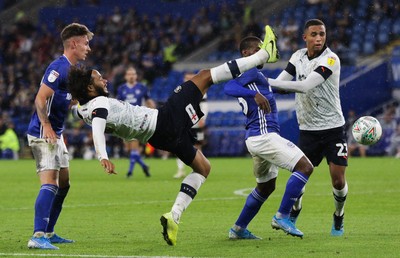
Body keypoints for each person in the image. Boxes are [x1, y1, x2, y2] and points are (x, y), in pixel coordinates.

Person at [67, 25, 279, 246]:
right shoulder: (99, 103)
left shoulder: (82, 110)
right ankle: (265, 54)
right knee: (205, 76)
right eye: (99, 79)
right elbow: (98, 126)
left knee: (203, 168)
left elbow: (83, 111)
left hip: (159, 138)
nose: (105, 80)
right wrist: (102, 155)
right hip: (163, 120)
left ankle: (174, 215)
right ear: (91, 90)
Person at [224, 36, 314, 239]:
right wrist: (252, 95)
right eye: (258, 49)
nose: (264, 52)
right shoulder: (250, 71)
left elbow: (275, 88)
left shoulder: (258, 77)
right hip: (264, 136)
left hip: (256, 138)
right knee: (305, 167)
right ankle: (282, 216)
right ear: (246, 54)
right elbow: (227, 87)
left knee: (266, 186)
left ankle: (238, 229)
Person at [268, 19, 348, 236]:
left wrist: (264, 81)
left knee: (338, 179)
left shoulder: (331, 59)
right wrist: (264, 83)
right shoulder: (298, 56)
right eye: (314, 34)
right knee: (300, 177)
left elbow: (303, 86)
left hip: (333, 128)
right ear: (305, 37)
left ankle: (338, 216)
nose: (319, 38)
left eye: (322, 34)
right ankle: (293, 214)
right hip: (308, 129)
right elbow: (281, 81)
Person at [26, 23, 93, 250]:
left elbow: (65, 101)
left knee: (64, 184)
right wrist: (46, 125)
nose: (88, 48)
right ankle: (37, 236)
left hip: (58, 134)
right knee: (51, 183)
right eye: (85, 43)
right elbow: (40, 98)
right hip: (43, 134)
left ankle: (49, 231)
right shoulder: (58, 67)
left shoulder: (71, 71)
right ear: (73, 43)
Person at [116, 66, 156, 178]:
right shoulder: (121, 89)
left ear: (136, 76)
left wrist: (153, 111)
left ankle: (130, 172)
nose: (131, 76)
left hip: (138, 119)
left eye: (133, 74)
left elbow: (149, 101)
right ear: (125, 76)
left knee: (134, 145)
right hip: (125, 120)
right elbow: (118, 104)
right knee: (129, 149)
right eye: (129, 74)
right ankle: (144, 166)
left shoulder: (142, 87)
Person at [174, 72, 208, 179]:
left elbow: (204, 106)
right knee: (178, 146)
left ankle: (200, 168)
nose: (188, 80)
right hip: (184, 124)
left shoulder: (200, 91)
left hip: (197, 123)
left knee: (198, 146)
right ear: (184, 79)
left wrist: (203, 118)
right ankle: (180, 170)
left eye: (190, 78)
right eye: (186, 78)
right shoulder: (180, 91)